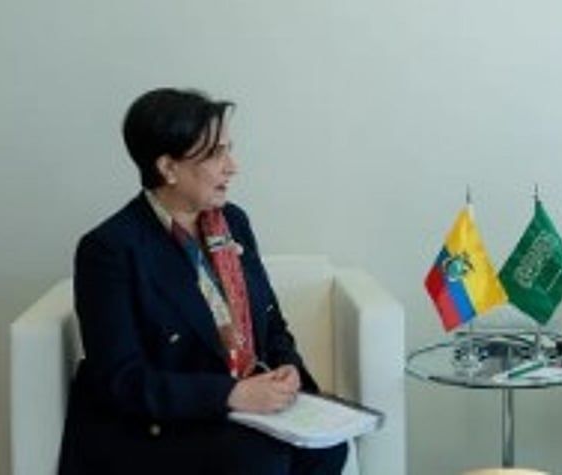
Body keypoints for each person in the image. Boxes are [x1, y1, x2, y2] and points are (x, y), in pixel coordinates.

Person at [58, 88, 347, 475]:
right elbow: (122, 379)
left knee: (328, 449)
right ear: (168, 168)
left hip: (240, 407)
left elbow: (271, 323)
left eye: (230, 150)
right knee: (258, 460)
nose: (232, 167)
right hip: (160, 425)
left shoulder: (233, 223)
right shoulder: (110, 249)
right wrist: (231, 394)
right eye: (216, 154)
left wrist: (287, 369)